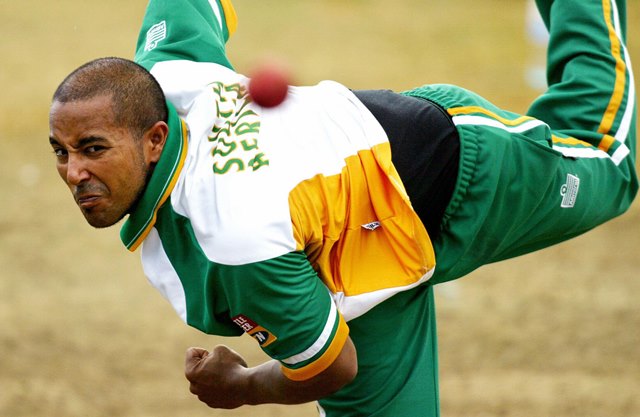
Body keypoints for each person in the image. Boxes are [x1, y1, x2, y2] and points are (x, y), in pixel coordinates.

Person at [48, 0, 636, 415]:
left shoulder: (232, 240)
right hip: (343, 279)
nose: (74, 173)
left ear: (154, 138)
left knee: (608, 156)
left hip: (459, 183)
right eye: (61, 152)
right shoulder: (166, 69)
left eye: (93, 149)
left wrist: (242, 386)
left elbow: (331, 369)